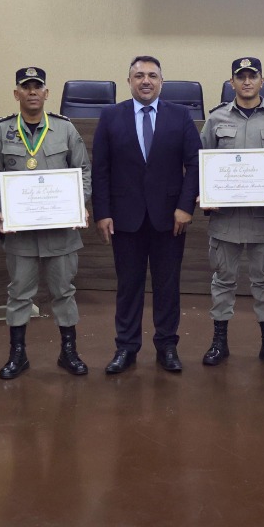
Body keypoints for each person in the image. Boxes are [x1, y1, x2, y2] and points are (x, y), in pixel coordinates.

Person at [92, 55, 201, 374]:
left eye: (152, 75)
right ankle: (126, 347)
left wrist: (185, 207)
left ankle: (167, 346)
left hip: (170, 219)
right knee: (129, 285)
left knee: (168, 285)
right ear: (129, 81)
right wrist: (103, 212)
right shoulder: (111, 116)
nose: (146, 81)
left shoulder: (180, 116)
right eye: (139, 75)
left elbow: (195, 163)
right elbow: (101, 169)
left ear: (161, 82)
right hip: (124, 218)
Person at [0, 66, 93, 378]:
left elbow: (83, 171)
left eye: (37, 87)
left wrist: (79, 203)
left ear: (47, 93)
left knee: (64, 292)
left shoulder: (65, 130)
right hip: (20, 234)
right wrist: (2, 207)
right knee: (19, 294)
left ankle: (68, 352)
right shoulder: (0, 131)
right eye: (26, 87)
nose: (32, 92)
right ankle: (18, 355)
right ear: (16, 93)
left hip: (60, 232)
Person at [199, 57, 264, 368]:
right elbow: (203, 163)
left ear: (262, 81)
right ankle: (219, 342)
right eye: (241, 77)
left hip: (263, 219)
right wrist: (206, 194)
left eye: (253, 76)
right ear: (233, 82)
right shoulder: (215, 119)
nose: (247, 82)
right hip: (225, 220)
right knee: (223, 281)